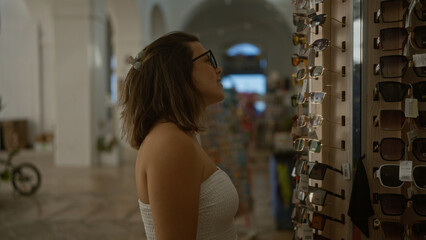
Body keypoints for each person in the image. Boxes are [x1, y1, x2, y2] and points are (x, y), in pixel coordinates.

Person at [120, 31, 239, 240]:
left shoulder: (180, 135)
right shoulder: (170, 143)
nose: (218, 68)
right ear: (178, 73)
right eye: (207, 61)